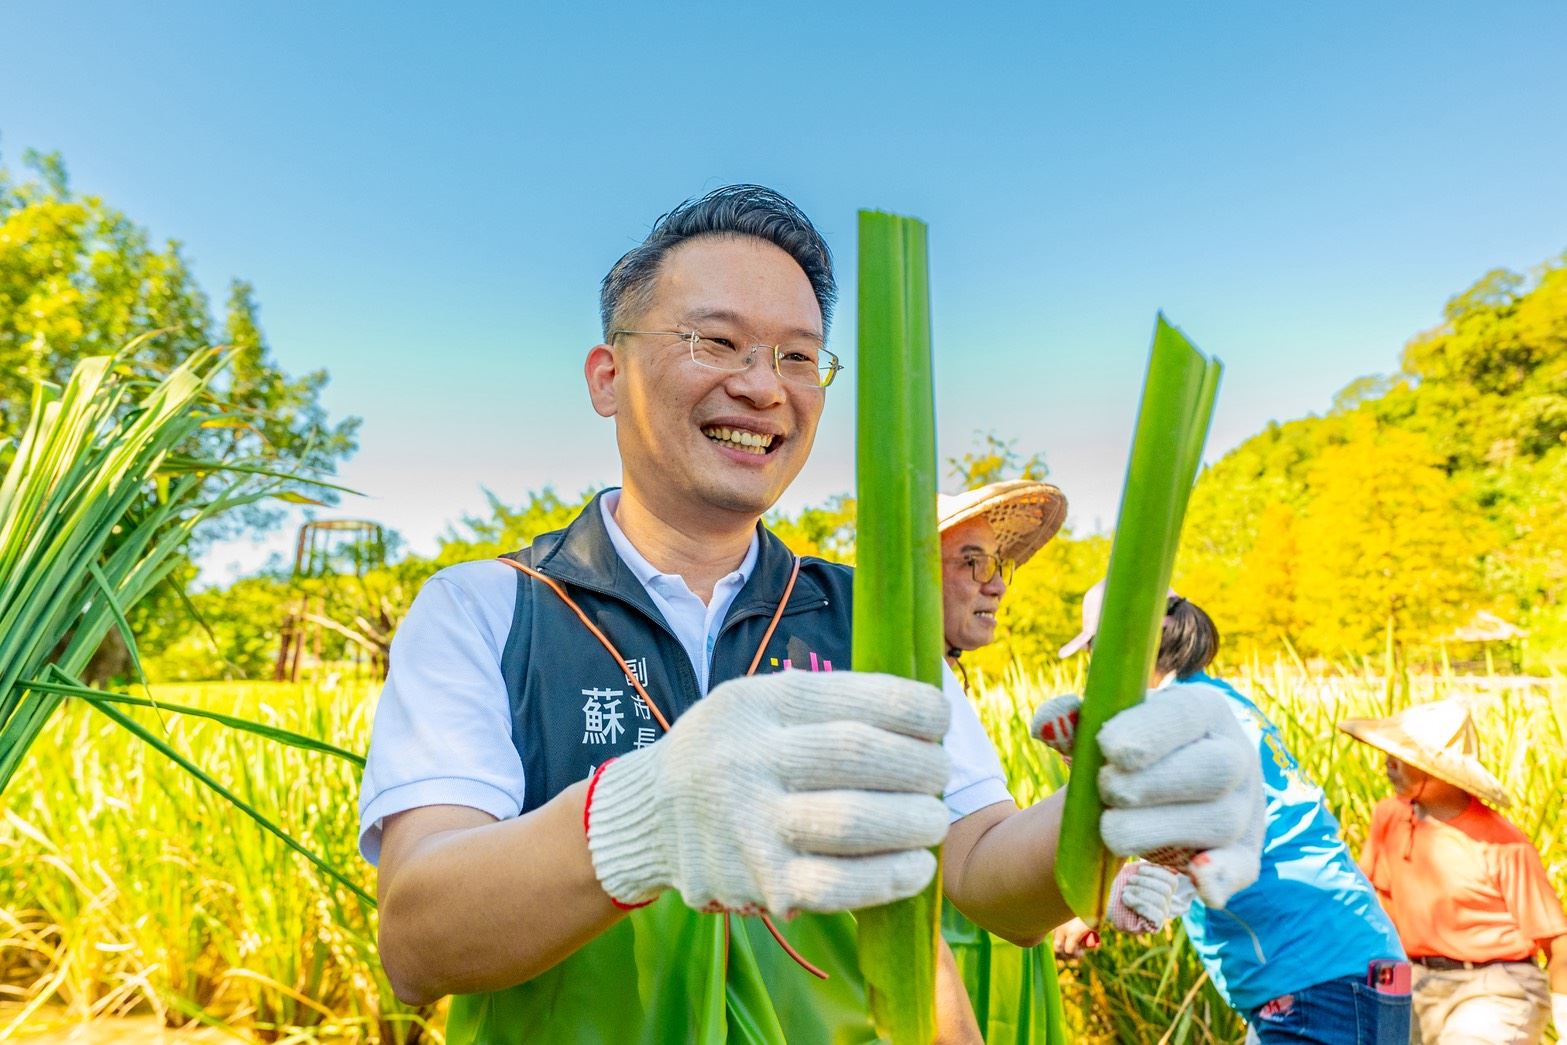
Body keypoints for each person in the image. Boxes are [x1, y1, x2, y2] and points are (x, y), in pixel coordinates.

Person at [357, 184, 1266, 1042]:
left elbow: (983, 868)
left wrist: (1104, 808)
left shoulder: (873, 619)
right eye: (717, 341)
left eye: (798, 356)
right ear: (607, 375)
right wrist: (645, 815)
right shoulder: (488, 609)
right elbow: (419, 941)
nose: (764, 386)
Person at [1040, 582, 1411, 1044]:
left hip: (1314, 975)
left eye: (1095, 651)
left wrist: (1097, 904)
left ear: (1130, 643)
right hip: (1338, 966)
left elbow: (1197, 839)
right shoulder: (1217, 700)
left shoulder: (1176, 717)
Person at [1340, 699, 1567, 1044]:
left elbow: (1557, 941)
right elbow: (1381, 906)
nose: (1387, 764)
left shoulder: (1503, 844)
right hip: (1416, 982)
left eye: (1399, 757)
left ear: (1434, 770)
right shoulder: (1390, 816)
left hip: (1497, 987)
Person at [935, 479, 1070, 1043]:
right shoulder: (904, 675)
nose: (996, 584)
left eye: (998, 565)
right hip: (945, 971)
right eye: (973, 563)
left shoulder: (948, 681)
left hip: (996, 949)